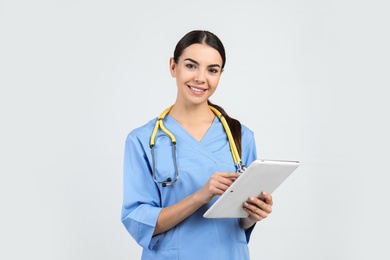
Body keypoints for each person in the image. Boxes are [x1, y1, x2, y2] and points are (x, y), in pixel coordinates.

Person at [121, 30, 273, 259]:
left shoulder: (240, 136)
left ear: (220, 74)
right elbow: (140, 222)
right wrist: (199, 196)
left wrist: (253, 213)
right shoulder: (142, 140)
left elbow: (241, 221)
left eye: (212, 70)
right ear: (173, 66)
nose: (201, 78)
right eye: (191, 66)